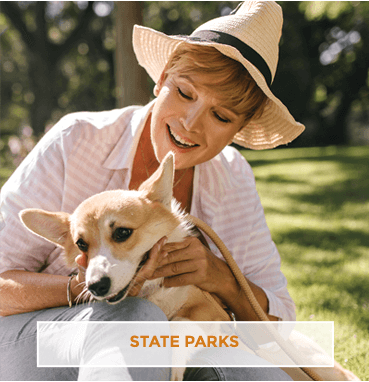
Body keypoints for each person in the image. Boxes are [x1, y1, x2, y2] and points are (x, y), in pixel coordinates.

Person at [0, 1, 304, 381]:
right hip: (33, 338)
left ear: (238, 130)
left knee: (247, 365)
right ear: (160, 80)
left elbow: (278, 321)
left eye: (221, 116)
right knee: (135, 318)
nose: (191, 123)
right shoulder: (75, 140)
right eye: (184, 93)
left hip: (171, 338)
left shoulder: (233, 177)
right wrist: (90, 284)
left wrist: (217, 275)